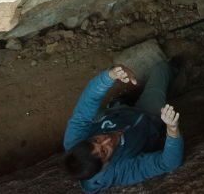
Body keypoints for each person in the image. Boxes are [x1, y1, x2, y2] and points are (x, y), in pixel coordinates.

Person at [62, 62, 183, 192]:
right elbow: (167, 163)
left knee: (92, 114)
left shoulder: (74, 139)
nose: (107, 140)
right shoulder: (118, 172)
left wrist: (111, 75)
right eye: (104, 151)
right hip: (147, 120)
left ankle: (119, 103)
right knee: (161, 68)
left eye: (96, 140)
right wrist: (172, 129)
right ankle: (175, 69)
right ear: (105, 165)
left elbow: (87, 104)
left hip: (118, 114)